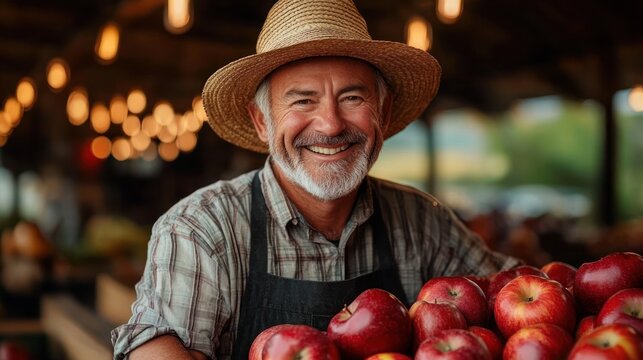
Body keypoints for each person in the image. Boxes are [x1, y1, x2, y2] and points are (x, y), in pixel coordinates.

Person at [111, 0, 521, 358]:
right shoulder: (202, 229)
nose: (329, 125)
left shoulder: (423, 222)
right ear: (261, 122)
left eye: (352, 98)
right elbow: (159, 345)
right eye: (303, 100)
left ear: (383, 109)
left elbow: (513, 297)